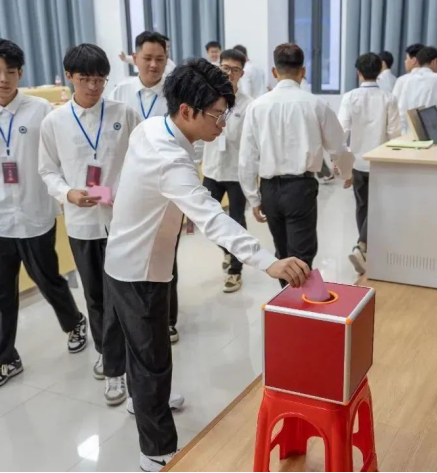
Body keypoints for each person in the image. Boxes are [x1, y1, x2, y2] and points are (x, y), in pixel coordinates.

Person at [103, 58, 310, 471]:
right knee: (151, 358)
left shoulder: (153, 127)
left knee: (141, 347)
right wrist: (267, 261)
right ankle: (156, 451)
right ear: (186, 111)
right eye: (217, 115)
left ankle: (143, 400)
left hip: (130, 255)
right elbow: (212, 217)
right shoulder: (170, 157)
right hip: (139, 268)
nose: (223, 123)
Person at [0, 38, 86, 390]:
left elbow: (57, 159)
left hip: (35, 213)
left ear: (21, 73)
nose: (4, 79)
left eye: (11, 71)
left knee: (48, 280)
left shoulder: (40, 110)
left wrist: (67, 194)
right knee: (0, 292)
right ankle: (4, 359)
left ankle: (74, 322)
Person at [38, 44, 142, 407]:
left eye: (100, 79)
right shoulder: (54, 122)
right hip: (82, 224)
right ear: (69, 77)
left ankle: (117, 367)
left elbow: (141, 159)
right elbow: (47, 170)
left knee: (122, 296)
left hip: (121, 222)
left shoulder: (123, 113)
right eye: (86, 79)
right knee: (96, 296)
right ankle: (107, 354)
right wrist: (67, 193)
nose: (94, 86)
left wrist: (123, 192)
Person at [239, 43, 354, 280]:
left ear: (274, 71)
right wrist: (346, 173)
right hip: (301, 188)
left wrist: (253, 198)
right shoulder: (316, 104)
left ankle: (286, 299)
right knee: (301, 256)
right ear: (303, 71)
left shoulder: (256, 106)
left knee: (282, 256)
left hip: (269, 189)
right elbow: (338, 148)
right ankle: (298, 302)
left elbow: (246, 158)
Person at [110, 32, 184, 345]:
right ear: (135, 57)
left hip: (165, 189)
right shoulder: (121, 91)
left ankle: (167, 319)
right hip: (128, 187)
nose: (154, 65)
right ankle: (134, 317)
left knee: (166, 254)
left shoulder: (175, 93)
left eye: (160, 59)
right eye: (148, 58)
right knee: (130, 254)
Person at [338, 53, 401, 276]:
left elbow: (341, 132)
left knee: (362, 206)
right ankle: (363, 248)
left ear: (358, 72)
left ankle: (363, 248)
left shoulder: (349, 97)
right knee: (377, 207)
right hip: (380, 162)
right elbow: (395, 134)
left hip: (357, 163)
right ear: (380, 71)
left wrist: (342, 165)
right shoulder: (388, 98)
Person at [202, 49, 254, 293]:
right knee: (205, 220)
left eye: (235, 69)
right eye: (225, 68)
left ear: (242, 73)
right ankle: (228, 250)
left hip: (236, 173)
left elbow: (253, 143)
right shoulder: (206, 99)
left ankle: (235, 271)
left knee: (237, 222)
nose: (229, 73)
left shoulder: (249, 105)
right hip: (212, 169)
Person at [394, 45, 437, 131]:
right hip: (433, 131)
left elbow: (401, 108)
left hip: (411, 131)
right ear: (434, 61)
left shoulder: (407, 80)